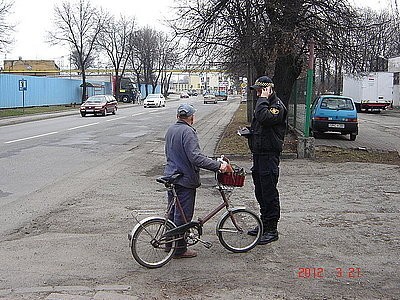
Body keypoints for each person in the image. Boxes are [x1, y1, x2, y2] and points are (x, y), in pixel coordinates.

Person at [164, 103, 230, 258]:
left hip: (171, 175)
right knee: (183, 216)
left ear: (178, 116)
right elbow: (196, 158)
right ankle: (179, 250)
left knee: (172, 213)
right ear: (192, 117)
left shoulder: (171, 130)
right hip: (184, 178)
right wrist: (218, 166)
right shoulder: (188, 132)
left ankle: (169, 245)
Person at [242, 76, 287, 245]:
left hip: (269, 156)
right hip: (259, 155)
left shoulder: (276, 106)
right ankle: (263, 224)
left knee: (269, 193)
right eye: (257, 91)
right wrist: (250, 133)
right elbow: (261, 124)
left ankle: (271, 229)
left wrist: (262, 99)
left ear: (269, 90)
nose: (258, 94)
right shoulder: (265, 105)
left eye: (260, 90)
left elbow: (265, 118)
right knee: (260, 192)